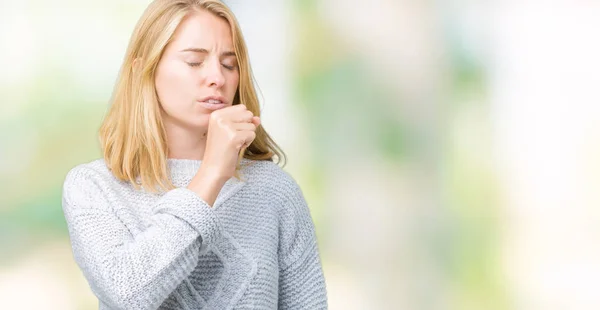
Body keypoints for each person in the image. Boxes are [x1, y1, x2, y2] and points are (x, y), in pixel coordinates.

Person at [61, 0, 327, 309]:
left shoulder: (275, 191)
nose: (218, 77)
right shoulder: (94, 188)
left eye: (229, 64)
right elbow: (128, 294)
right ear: (142, 69)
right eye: (194, 62)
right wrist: (212, 174)